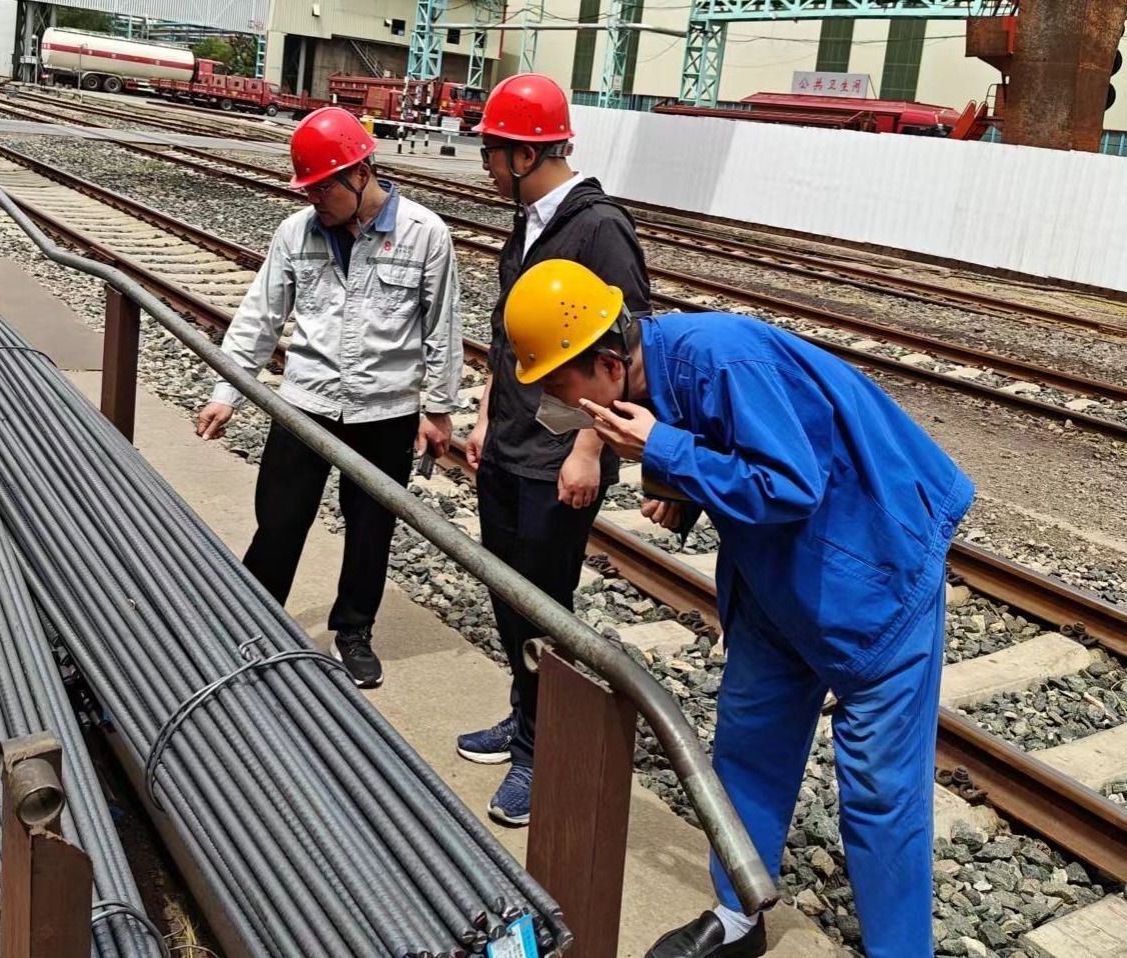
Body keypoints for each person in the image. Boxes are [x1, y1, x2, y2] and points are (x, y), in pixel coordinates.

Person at [502, 259, 974, 958]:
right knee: (748, 747)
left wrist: (664, 450)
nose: (565, 409)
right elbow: (734, 453)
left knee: (881, 792)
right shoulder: (656, 374)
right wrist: (683, 488)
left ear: (608, 363)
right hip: (776, 577)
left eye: (561, 389)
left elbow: (791, 484)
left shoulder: (722, 359)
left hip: (874, 568)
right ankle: (739, 914)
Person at [197, 107, 461, 689]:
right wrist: (226, 391)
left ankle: (353, 632)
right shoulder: (296, 232)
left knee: (371, 529)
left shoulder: (424, 234)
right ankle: (254, 620)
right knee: (279, 519)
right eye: (308, 189)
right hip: (305, 403)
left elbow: (441, 328)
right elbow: (259, 317)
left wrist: (439, 409)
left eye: (323, 188)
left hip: (386, 410)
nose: (314, 199)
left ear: (361, 174)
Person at [455, 73, 651, 827]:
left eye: (490, 151)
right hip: (509, 441)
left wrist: (590, 450)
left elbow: (621, 351)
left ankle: (543, 749)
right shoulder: (529, 221)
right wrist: (484, 413)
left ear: (524, 154)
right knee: (508, 591)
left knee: (545, 601)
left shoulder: (599, 228)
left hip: (559, 452)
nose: (484, 165)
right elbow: (512, 336)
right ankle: (525, 714)